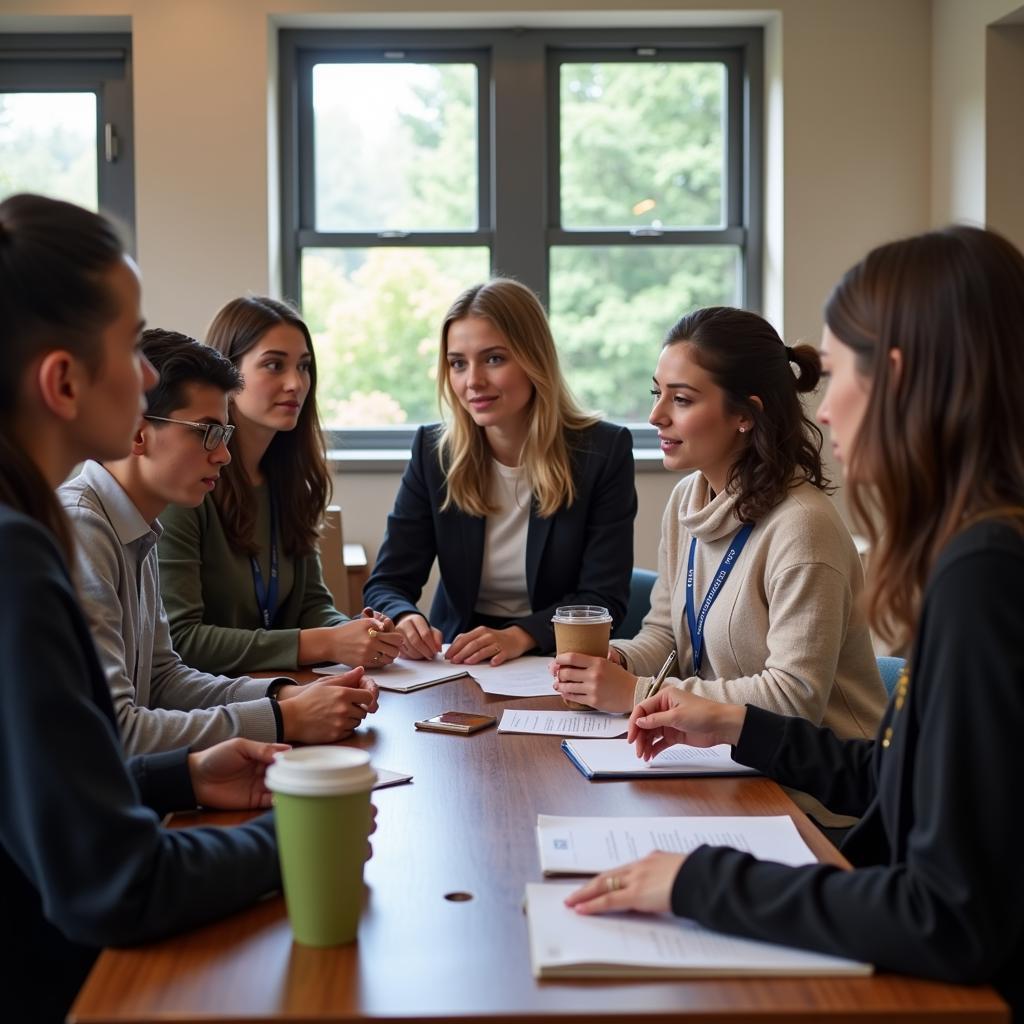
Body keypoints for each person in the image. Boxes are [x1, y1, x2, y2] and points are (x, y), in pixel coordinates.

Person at [565, 226, 1024, 1018]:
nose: (826, 401)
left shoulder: (985, 574)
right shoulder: (974, 552)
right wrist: (734, 725)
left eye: (839, 371)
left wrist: (700, 881)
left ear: (897, 378)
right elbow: (893, 777)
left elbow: (949, 916)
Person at [0, 193, 303, 1023]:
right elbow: (116, 884)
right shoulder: (25, 551)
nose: (144, 376)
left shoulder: (38, 527)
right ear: (62, 380)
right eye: (131, 345)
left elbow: (43, 789)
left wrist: (182, 772)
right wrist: (304, 835)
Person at [552, 306, 886, 824]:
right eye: (656, 392)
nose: (657, 415)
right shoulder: (690, 498)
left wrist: (639, 693)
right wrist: (618, 663)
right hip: (726, 768)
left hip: (818, 803)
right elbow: (665, 634)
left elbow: (794, 699)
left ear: (745, 414)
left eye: (681, 399)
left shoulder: (802, 526)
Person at [60, 329, 379, 754]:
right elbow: (118, 731)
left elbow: (162, 679)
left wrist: (283, 696)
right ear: (137, 433)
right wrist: (284, 720)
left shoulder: (136, 525)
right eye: (207, 432)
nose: (223, 455)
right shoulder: (82, 528)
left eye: (226, 435)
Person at [363, 277, 637, 666]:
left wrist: (518, 636)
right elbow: (388, 582)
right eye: (458, 363)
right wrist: (405, 617)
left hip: (557, 656)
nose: (472, 381)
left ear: (533, 359)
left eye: (493, 358)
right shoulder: (433, 452)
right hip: (458, 656)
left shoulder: (602, 452)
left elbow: (603, 598)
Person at [158, 296, 402, 675]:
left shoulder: (291, 484)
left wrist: (355, 632)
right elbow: (182, 640)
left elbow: (311, 605)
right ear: (228, 375)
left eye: (304, 367)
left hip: (281, 690)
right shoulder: (187, 486)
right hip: (212, 705)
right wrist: (325, 642)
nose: (295, 383)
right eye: (274, 365)